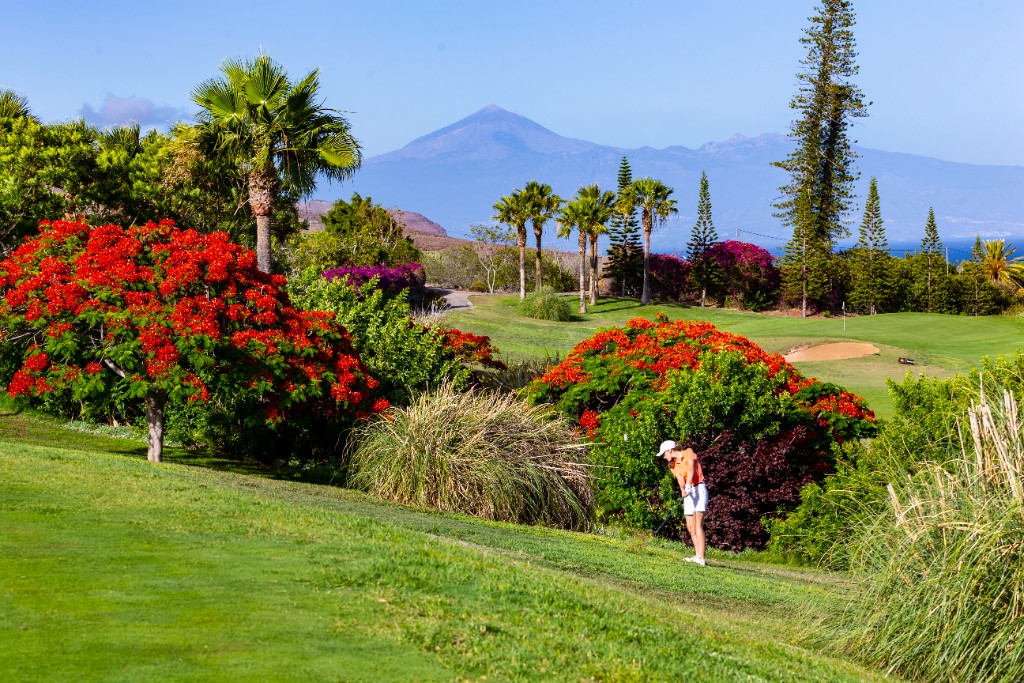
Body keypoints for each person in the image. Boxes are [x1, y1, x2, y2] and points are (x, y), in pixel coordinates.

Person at [657, 439, 708, 566]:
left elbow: (691, 469)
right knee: (690, 527)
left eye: (665, 454)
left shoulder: (688, 452)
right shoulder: (673, 465)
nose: (664, 457)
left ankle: (701, 558)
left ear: (670, 450)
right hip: (688, 492)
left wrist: (689, 485)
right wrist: (683, 490)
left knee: (698, 525)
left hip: (699, 488)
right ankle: (697, 555)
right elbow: (680, 479)